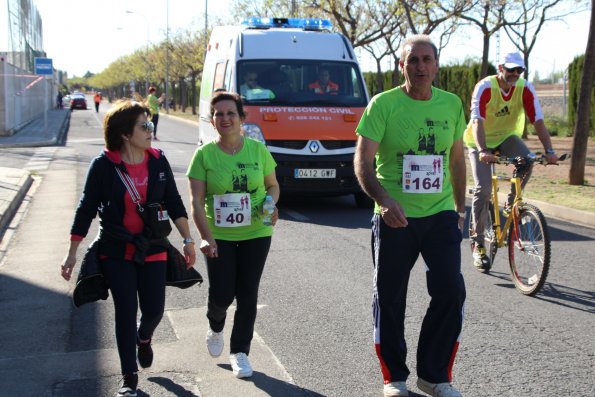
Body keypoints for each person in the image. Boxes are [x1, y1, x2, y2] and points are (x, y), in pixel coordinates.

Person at [354, 34, 466, 397]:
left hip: (440, 214)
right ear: (401, 66)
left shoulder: (451, 104)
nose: (420, 66)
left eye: (426, 59)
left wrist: (461, 209)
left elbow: (457, 158)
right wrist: (385, 201)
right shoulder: (382, 105)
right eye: (412, 60)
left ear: (436, 65)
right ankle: (395, 376)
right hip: (394, 218)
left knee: (451, 290)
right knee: (390, 296)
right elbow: (363, 163)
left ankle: (433, 376)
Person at [60, 99, 196, 397]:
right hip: (116, 248)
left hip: (153, 246)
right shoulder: (104, 166)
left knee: (154, 310)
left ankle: (144, 337)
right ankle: (128, 377)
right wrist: (72, 252)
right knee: (125, 309)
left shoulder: (158, 160)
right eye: (143, 125)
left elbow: (173, 202)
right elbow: (85, 210)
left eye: (150, 124)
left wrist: (187, 239)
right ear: (125, 133)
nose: (150, 129)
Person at [187, 91, 280, 379]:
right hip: (219, 235)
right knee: (223, 294)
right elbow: (196, 202)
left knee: (247, 292)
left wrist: (269, 204)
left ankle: (240, 352)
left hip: (257, 232)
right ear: (212, 120)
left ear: (241, 118)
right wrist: (205, 236)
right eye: (218, 114)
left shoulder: (258, 150)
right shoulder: (204, 155)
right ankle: (215, 324)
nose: (224, 118)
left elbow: (272, 186)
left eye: (230, 113)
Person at [465, 51, 558, 272]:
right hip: (480, 141)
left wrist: (550, 150)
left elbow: (538, 120)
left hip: (507, 138)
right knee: (484, 187)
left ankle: (511, 204)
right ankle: (478, 244)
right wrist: (482, 150)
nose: (515, 74)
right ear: (500, 68)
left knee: (527, 160)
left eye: (519, 70)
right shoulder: (485, 87)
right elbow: (477, 121)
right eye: (511, 69)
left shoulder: (525, 88)